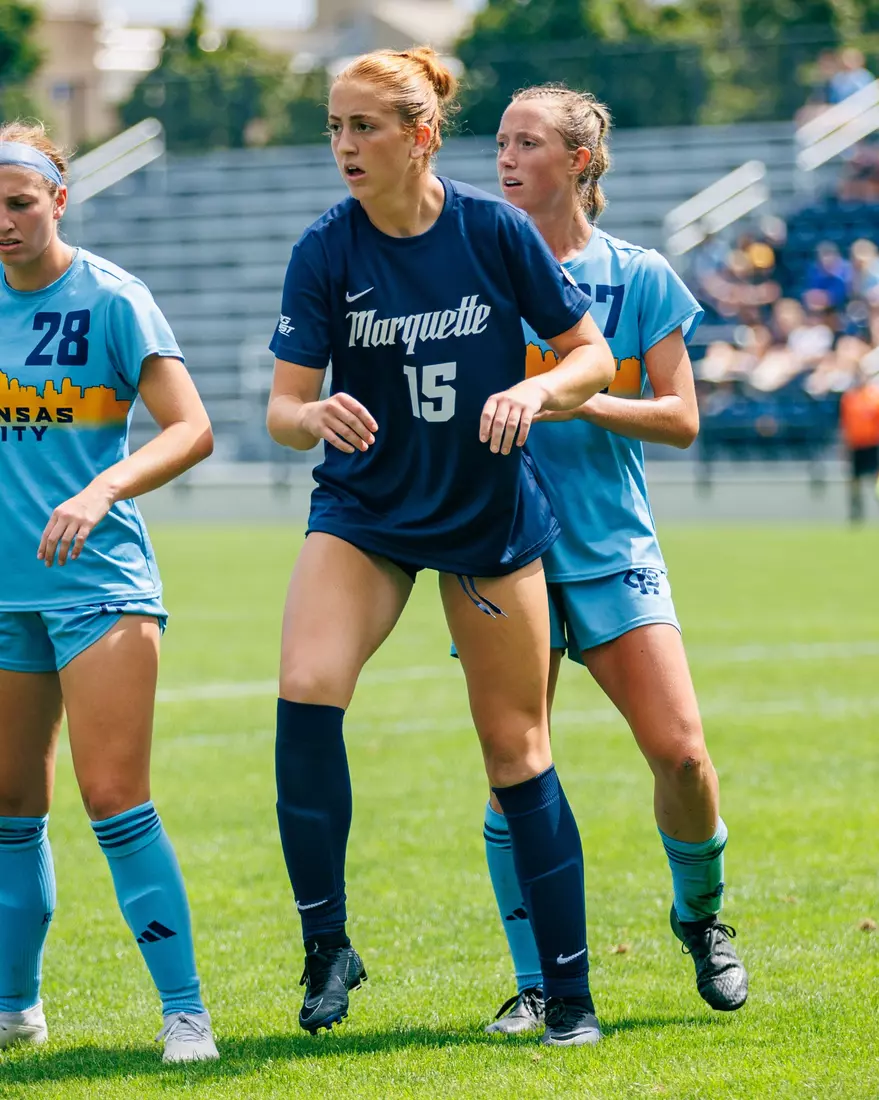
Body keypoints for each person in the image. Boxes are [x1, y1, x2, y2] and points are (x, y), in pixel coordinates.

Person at [266, 48, 616, 1046]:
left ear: (422, 134)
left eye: (364, 127)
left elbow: (588, 353)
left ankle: (573, 997)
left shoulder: (493, 229)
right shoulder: (326, 248)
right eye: (334, 127)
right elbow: (282, 406)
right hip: (366, 509)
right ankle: (326, 941)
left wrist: (535, 388)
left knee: (518, 750)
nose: (344, 147)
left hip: (484, 517)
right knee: (304, 690)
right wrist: (312, 415)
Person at [481, 84, 748, 1036]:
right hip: (503, 553)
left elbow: (679, 420)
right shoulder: (473, 268)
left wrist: (571, 393)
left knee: (681, 755)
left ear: (581, 163)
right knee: (516, 767)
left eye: (528, 144)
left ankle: (701, 915)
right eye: (501, 142)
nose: (506, 160)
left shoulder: (637, 276)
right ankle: (536, 981)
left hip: (611, 551)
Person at [0, 123, 218, 1061]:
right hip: (7, 596)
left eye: (18, 202)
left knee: (114, 797)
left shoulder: (113, 299)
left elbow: (190, 428)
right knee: (11, 814)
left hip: (100, 586)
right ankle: (15, 1010)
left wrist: (101, 487)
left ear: (58, 199)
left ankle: (186, 1013)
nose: (3, 222)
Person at [839, 366, 879, 523]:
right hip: (856, 445)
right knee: (855, 479)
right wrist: (844, 445)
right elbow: (844, 423)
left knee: (875, 477)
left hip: (873, 444)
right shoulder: (849, 398)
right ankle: (856, 511)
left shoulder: (874, 397)